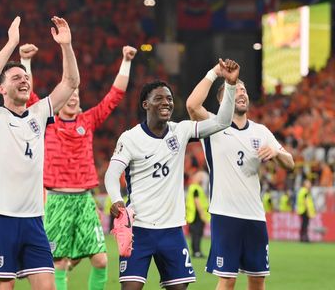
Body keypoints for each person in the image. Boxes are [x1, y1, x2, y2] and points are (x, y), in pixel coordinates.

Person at [104, 58, 239, 289]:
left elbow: (224, 122)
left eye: (168, 98)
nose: (166, 102)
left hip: (172, 230)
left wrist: (229, 83)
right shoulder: (130, 138)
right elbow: (111, 174)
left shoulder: (182, 130)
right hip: (140, 229)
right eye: (159, 99)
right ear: (145, 105)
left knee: (179, 287)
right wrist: (117, 200)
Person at [20, 43, 137, 290]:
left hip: (84, 200)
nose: (73, 97)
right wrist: (25, 61)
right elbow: (29, 94)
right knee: (58, 263)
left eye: (76, 95)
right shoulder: (46, 122)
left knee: (101, 260)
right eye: (69, 95)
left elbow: (114, 97)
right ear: (59, 100)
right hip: (56, 200)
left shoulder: (88, 120)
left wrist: (126, 61)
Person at [0, 16, 79, 290]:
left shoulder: (38, 113)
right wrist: (12, 43)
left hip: (34, 218)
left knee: (47, 286)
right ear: (2, 89)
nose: (24, 80)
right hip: (0, 215)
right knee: (3, 286)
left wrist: (66, 46)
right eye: (15, 78)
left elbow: (70, 83)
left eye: (26, 77)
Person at [186, 61, 295, 290]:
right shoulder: (214, 125)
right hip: (225, 214)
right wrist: (215, 73)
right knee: (227, 279)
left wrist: (276, 152)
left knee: (257, 279)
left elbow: (290, 163)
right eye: (235, 90)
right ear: (223, 100)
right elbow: (192, 105)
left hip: (255, 215)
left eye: (244, 90)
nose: (241, 93)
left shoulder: (261, 131)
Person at [186, 170, 210, 259]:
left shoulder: (194, 187)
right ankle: (196, 251)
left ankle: (196, 251)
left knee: (196, 234)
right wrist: (202, 214)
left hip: (193, 215)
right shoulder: (196, 188)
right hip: (196, 215)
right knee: (197, 234)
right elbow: (197, 202)